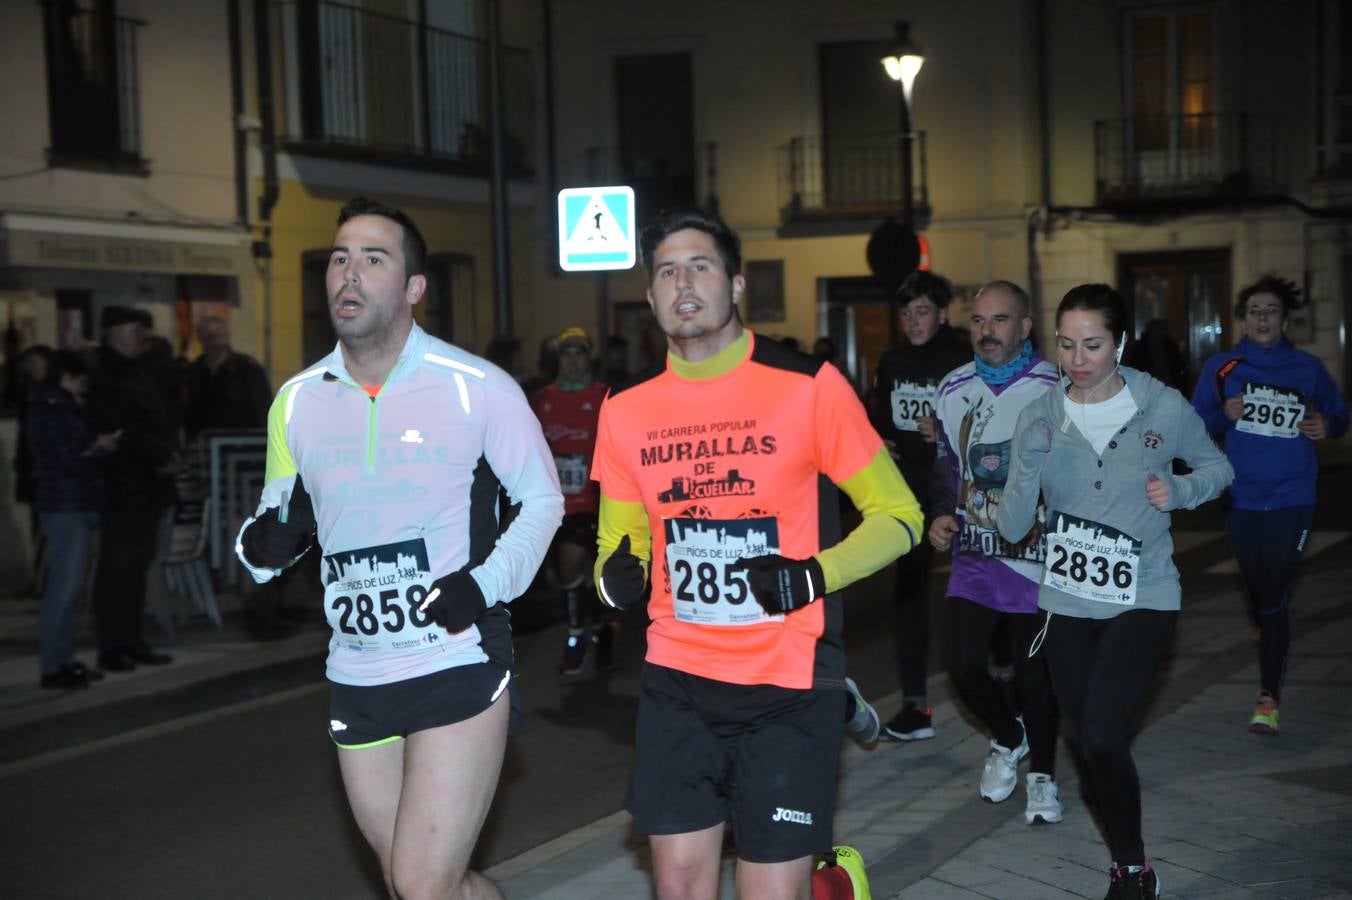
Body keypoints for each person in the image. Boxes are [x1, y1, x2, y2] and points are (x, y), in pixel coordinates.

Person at [235, 197, 563, 900]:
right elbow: (266, 542)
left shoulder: (478, 389)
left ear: (414, 287)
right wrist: (268, 541)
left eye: (373, 259)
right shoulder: (295, 401)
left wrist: (484, 585)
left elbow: (543, 501)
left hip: (457, 656)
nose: (348, 273)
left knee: (419, 881)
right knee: (416, 883)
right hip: (357, 668)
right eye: (339, 258)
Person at [590, 207, 921, 899]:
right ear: (651, 300)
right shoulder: (625, 407)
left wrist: (811, 577)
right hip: (677, 679)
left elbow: (901, 518)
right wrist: (616, 577)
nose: (683, 282)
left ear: (736, 286)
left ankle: (831, 871)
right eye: (667, 271)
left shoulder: (808, 386)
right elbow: (619, 543)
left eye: (700, 265)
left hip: (787, 685)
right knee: (679, 885)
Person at [997, 283, 1234, 899]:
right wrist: (1028, 462)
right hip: (1068, 603)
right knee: (1093, 746)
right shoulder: (1039, 417)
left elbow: (1217, 467)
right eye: (1067, 344)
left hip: (1145, 595)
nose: (1078, 359)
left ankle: (1132, 870)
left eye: (1093, 345)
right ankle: (1130, 866)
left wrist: (1179, 493)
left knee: (1101, 734)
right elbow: (1014, 526)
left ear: (1120, 342)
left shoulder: (1163, 408)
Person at [924, 280, 1063, 822]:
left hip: (1037, 559)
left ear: (1025, 327)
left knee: (1034, 677)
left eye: (1000, 320)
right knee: (961, 665)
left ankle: (1045, 779)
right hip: (976, 556)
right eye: (979, 321)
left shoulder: (1056, 386)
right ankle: (1009, 737)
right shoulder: (953, 387)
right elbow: (947, 465)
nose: (987, 331)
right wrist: (940, 512)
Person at [1190, 275, 1348, 735]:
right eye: (1254, 310)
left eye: (1271, 311)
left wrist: (1326, 425)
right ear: (1243, 318)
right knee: (1258, 585)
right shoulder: (1223, 367)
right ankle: (1265, 618)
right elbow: (1196, 423)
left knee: (1275, 593)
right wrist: (1225, 414)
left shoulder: (1306, 367)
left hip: (1294, 494)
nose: (1262, 318)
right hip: (1242, 494)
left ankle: (1267, 698)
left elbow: (1339, 413)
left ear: (1283, 318)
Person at [869, 270, 969, 741]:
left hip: (962, 491)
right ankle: (915, 706)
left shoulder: (962, 358)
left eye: (923, 311)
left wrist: (947, 429)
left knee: (983, 588)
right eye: (906, 313)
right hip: (911, 494)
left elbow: (988, 414)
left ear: (943, 314)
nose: (912, 321)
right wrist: (881, 441)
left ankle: (1007, 668)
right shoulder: (891, 361)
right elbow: (878, 419)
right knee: (908, 595)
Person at [87, 306, 177, 673]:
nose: (142, 336)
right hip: (123, 484)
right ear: (113, 332)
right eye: (134, 329)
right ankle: (112, 646)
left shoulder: (137, 370)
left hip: (145, 484)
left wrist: (166, 455)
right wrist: (162, 456)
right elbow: (123, 430)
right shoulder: (105, 373)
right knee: (117, 567)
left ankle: (132, 640)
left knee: (137, 565)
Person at [29, 350, 119, 688]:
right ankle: (53, 667)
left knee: (67, 589)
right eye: (81, 378)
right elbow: (68, 462)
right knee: (63, 590)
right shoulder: (54, 411)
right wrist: (100, 448)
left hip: (69, 504)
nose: (85, 384)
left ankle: (63, 660)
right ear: (67, 377)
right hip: (65, 506)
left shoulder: (55, 408)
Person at [531, 325, 612, 673]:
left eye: (580, 353)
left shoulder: (602, 396)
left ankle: (587, 632)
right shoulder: (543, 400)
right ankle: (589, 631)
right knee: (567, 569)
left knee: (592, 571)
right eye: (567, 353)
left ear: (588, 357)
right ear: (559, 359)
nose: (573, 360)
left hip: (599, 501)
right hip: (556, 502)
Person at [184, 315, 272, 440]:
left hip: (241, 441)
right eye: (203, 338)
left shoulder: (247, 368)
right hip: (205, 444)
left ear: (225, 337)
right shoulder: (195, 370)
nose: (209, 343)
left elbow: (261, 405)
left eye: (213, 337)